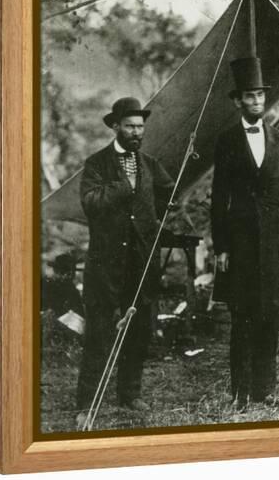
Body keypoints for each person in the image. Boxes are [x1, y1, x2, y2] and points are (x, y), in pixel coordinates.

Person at [76, 97, 174, 426]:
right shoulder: (96, 163)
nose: (136, 132)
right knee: (99, 332)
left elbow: (165, 195)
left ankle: (129, 394)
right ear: (115, 126)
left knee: (140, 328)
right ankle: (87, 403)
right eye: (130, 126)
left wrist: (161, 211)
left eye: (140, 126)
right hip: (105, 265)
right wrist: (122, 188)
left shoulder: (149, 163)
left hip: (141, 262)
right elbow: (90, 202)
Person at [211, 57, 279, 410]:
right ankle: (240, 392)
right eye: (250, 96)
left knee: (268, 317)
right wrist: (222, 247)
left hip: (273, 244)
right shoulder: (227, 140)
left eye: (260, 95)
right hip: (241, 243)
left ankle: (266, 388)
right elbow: (219, 197)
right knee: (242, 317)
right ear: (238, 101)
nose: (257, 101)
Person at [41, 253, 83, 317]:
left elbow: (80, 313)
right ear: (56, 271)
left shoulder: (72, 290)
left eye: (72, 273)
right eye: (64, 272)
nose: (69, 276)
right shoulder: (44, 286)